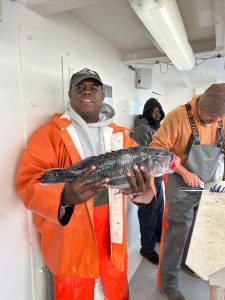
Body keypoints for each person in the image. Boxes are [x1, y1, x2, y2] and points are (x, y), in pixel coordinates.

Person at [16, 68, 156, 300]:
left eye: (93, 87)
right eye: (80, 87)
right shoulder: (49, 135)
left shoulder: (123, 137)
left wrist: (144, 193)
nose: (87, 91)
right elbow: (27, 184)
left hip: (113, 244)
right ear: (70, 94)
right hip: (71, 250)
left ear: (102, 96)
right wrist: (65, 196)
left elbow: (146, 194)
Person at [150, 84, 225, 300]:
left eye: (217, 119)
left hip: (207, 184)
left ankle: (188, 263)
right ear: (200, 103)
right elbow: (157, 150)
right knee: (177, 232)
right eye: (208, 117)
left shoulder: (220, 118)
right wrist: (183, 171)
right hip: (180, 182)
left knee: (198, 228)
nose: (213, 121)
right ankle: (168, 284)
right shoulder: (177, 117)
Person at [130, 98, 165, 265]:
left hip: (157, 179)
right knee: (148, 215)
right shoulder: (142, 129)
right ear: (147, 112)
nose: (157, 114)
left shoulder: (156, 128)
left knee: (159, 210)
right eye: (153, 111)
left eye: (159, 111)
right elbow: (137, 156)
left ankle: (157, 235)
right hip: (146, 181)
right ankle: (147, 248)